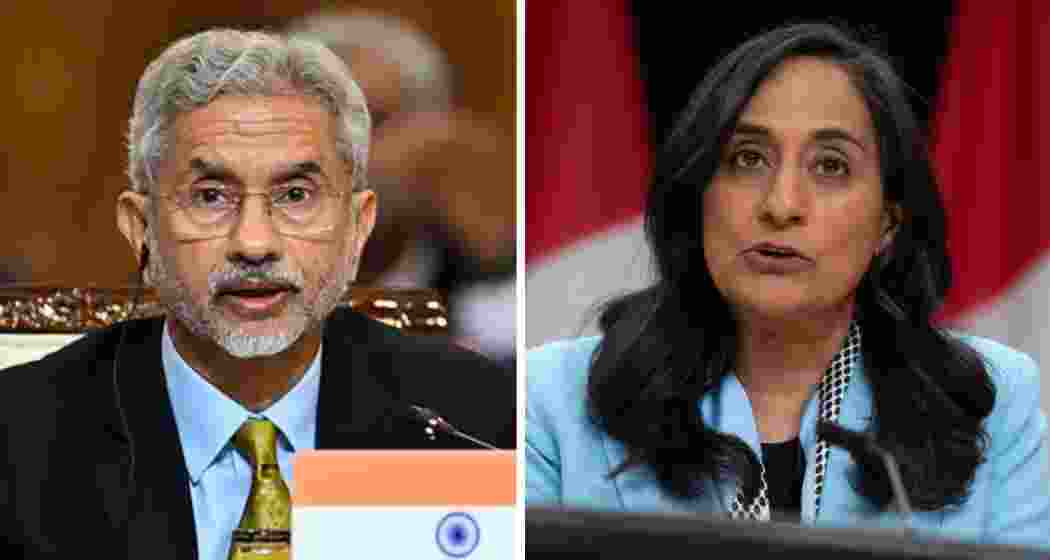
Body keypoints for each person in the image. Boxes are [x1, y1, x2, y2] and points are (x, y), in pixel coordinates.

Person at [525, 22, 1050, 550]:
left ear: (888, 222)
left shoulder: (996, 404)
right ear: (699, 193)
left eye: (830, 166)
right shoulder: (554, 399)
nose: (781, 204)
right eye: (747, 159)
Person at [0, 28, 515, 559]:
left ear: (357, 227)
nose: (254, 243)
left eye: (295, 195)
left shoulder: (473, 419)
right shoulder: (19, 440)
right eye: (210, 196)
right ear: (142, 229)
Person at [287, 9, 517, 364]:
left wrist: (490, 263)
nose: (343, 154)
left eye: (374, 121)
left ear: (438, 133)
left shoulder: (494, 275)